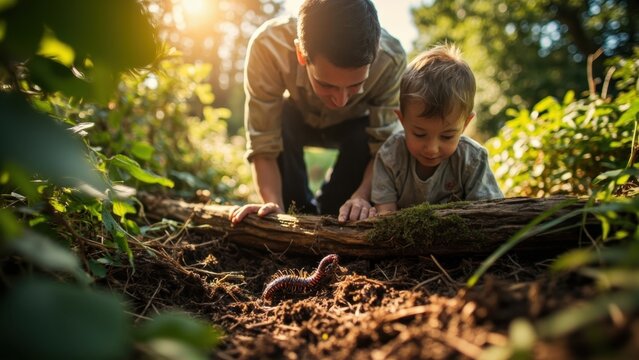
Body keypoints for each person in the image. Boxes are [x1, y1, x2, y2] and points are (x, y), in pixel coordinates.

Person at [230, 0, 406, 224]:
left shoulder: (391, 60)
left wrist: (361, 196)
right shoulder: (269, 46)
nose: (341, 101)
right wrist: (272, 202)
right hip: (296, 121)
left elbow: (384, 147)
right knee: (292, 207)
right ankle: (294, 205)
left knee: (341, 211)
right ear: (301, 54)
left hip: (356, 131)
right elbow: (263, 142)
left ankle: (337, 205)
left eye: (355, 85)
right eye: (327, 85)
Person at [370, 43, 503, 215]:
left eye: (447, 136)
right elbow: (385, 215)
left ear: (465, 124)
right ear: (402, 120)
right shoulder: (390, 156)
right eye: (419, 134)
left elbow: (490, 214)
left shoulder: (472, 160)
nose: (432, 148)